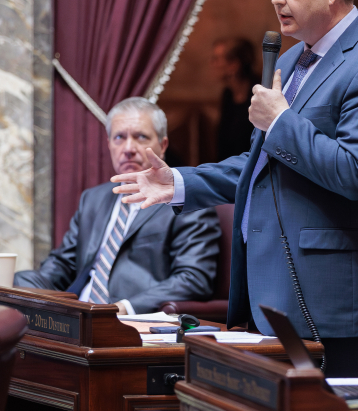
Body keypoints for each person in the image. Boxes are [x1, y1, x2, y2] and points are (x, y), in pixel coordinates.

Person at [113, 0, 358, 376]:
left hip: (333, 302)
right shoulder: (290, 62)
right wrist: (179, 182)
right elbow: (261, 167)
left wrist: (281, 122)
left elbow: (356, 172)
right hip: (268, 289)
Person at [15, 97, 220, 314]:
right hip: (80, 313)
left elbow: (193, 278)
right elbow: (63, 265)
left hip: (131, 320)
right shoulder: (93, 199)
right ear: (109, 145)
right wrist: (29, 289)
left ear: (163, 146)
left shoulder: (187, 203)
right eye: (119, 137)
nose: (128, 148)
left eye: (141, 137)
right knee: (17, 283)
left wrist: (123, 308)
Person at [211, 37, 260, 160]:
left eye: (216, 59)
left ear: (234, 65)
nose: (212, 64)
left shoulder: (259, 92)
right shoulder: (227, 94)